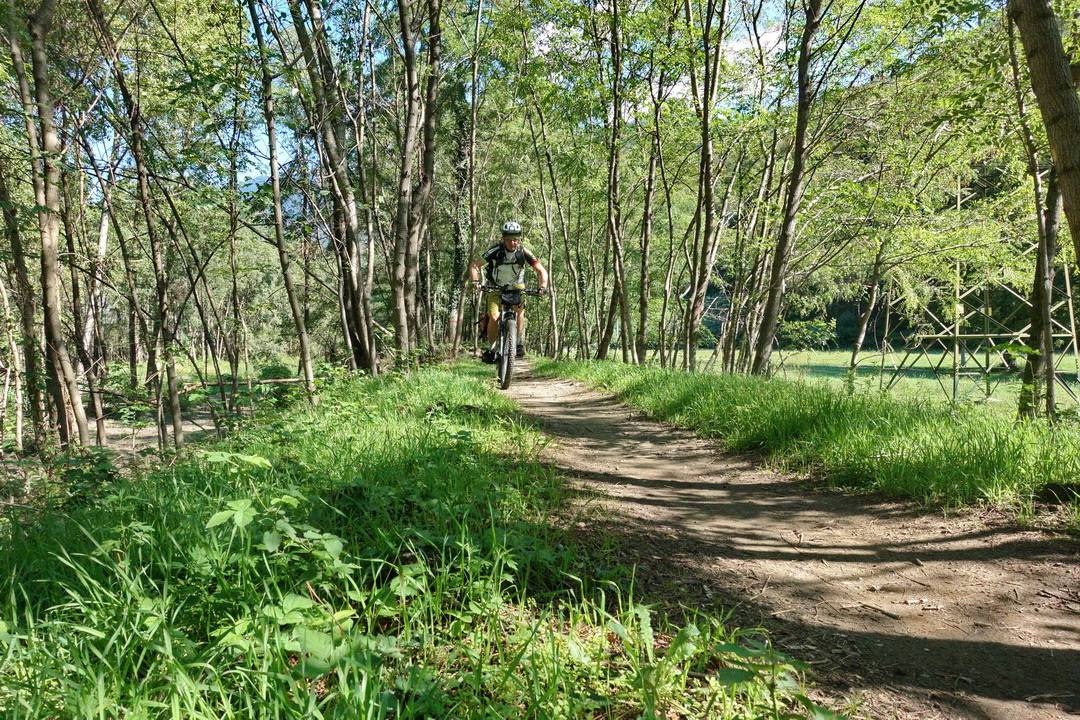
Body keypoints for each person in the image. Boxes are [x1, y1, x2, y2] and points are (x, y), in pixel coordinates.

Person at [468, 220, 548, 362]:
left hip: (517, 288)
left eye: (515, 239)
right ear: (503, 239)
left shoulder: (523, 252)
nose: (513, 243)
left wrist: (542, 287)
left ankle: (518, 343)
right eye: (509, 239)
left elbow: (541, 270)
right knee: (494, 317)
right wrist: (475, 282)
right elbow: (475, 265)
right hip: (495, 287)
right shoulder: (495, 251)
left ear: (519, 239)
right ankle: (492, 348)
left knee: (519, 311)